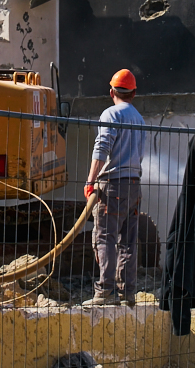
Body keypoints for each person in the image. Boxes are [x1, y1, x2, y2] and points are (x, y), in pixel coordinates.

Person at [82, 68, 146, 307]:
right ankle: (127, 292)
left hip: (112, 186)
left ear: (112, 92)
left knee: (105, 237)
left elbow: (102, 149)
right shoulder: (139, 118)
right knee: (129, 240)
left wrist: (90, 181)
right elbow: (140, 155)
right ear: (134, 93)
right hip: (134, 185)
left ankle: (105, 291)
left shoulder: (110, 114)